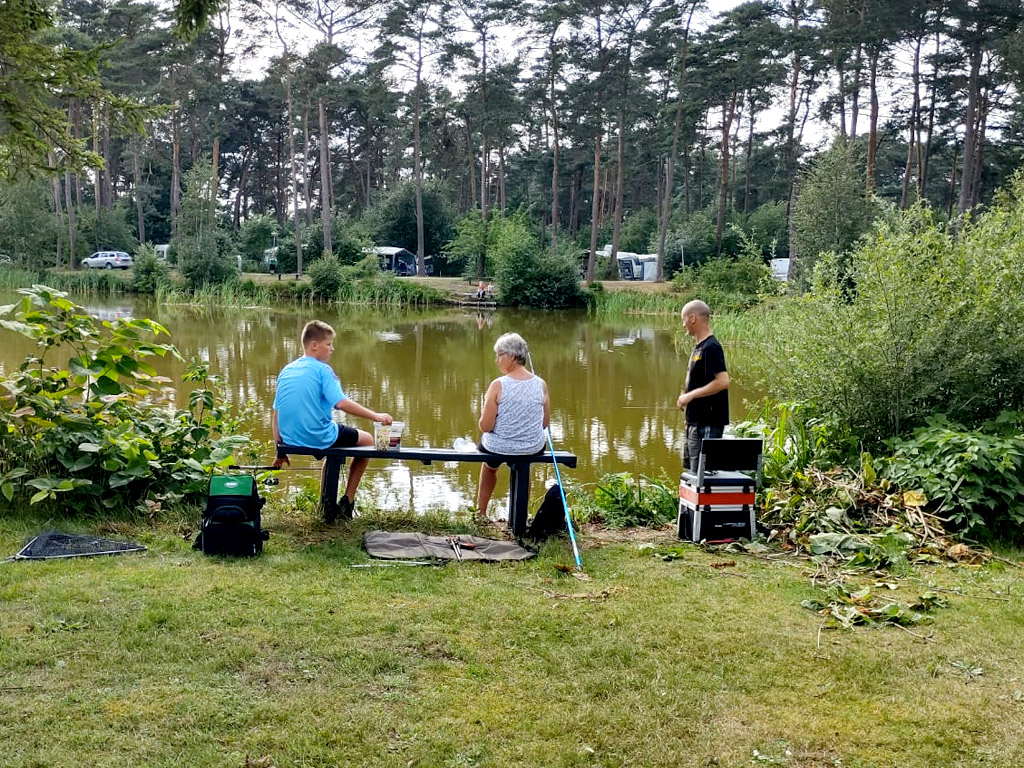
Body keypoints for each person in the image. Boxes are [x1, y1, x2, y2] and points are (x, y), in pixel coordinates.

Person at [272, 320, 392, 522]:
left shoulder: (287, 370)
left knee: (333, 450)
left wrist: (280, 450)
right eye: (328, 344)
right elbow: (342, 403)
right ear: (314, 346)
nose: (332, 349)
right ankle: (348, 501)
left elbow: (276, 414)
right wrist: (376, 416)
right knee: (368, 440)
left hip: (290, 439)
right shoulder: (323, 370)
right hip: (318, 436)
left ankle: (326, 503)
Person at [476, 332, 550, 520]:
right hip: (531, 447)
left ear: (512, 356)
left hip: (498, 447)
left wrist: (483, 420)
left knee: (489, 466)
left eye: (499, 355)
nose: (497, 360)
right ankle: (521, 516)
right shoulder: (541, 384)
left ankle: (481, 513)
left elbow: (486, 426)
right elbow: (544, 423)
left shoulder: (498, 385)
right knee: (524, 466)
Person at [676, 300, 730, 473]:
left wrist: (690, 396)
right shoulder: (699, 348)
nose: (683, 324)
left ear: (692, 318)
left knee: (702, 476)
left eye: (684, 319)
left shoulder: (711, 347)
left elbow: (723, 381)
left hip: (707, 424)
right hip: (695, 422)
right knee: (693, 475)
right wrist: (686, 398)